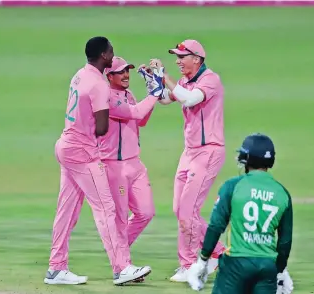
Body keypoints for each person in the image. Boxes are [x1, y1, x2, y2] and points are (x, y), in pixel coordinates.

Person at [46, 37, 152, 286]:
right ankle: (122, 268)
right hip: (83, 153)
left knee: (67, 210)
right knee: (107, 209)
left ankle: (56, 268)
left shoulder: (79, 75)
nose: (112, 55)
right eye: (111, 52)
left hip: (65, 145)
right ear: (104, 56)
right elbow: (102, 127)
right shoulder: (100, 85)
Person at [147, 39, 226, 282]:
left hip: (208, 151)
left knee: (187, 212)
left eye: (183, 57)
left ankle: (192, 262)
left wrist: (165, 75)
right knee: (180, 210)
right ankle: (216, 253)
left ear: (197, 59)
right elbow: (163, 99)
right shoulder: (183, 81)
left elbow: (191, 99)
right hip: (189, 152)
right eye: (176, 57)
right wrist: (152, 79)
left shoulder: (210, 79)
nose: (178, 61)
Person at [186, 133, 294, 294]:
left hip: (235, 265)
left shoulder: (233, 186)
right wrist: (281, 270)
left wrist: (202, 261)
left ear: (246, 158)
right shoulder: (282, 193)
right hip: (267, 267)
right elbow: (285, 241)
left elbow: (216, 226)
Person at [98, 56, 162, 283]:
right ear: (109, 76)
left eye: (127, 71)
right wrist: (155, 92)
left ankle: (119, 255)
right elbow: (134, 113)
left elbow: (140, 119)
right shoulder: (106, 97)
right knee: (120, 219)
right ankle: (121, 268)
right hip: (113, 165)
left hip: (135, 163)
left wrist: (151, 94)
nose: (126, 76)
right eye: (121, 72)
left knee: (146, 212)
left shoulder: (128, 95)